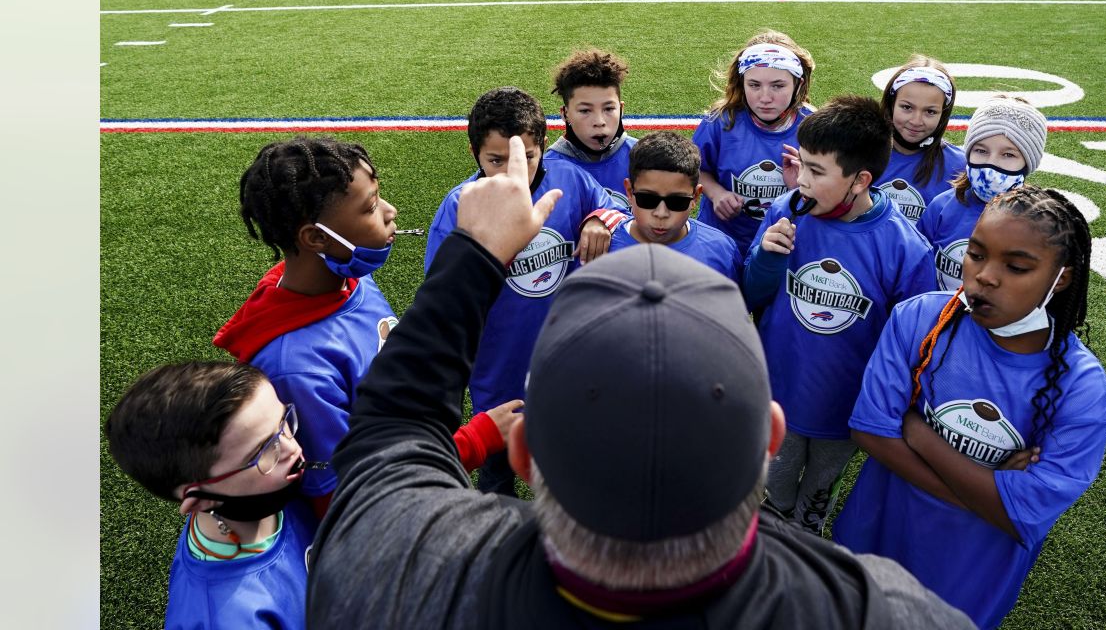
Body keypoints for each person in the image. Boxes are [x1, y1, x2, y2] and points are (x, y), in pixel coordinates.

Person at [305, 134, 977, 629]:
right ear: (768, 438)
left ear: (524, 452)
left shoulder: (403, 565)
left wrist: (476, 251)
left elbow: (391, 426)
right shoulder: (882, 612)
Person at [832, 186, 1106, 629]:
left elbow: (1023, 517)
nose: (985, 276)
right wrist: (989, 490)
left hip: (968, 576)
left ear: (1061, 279)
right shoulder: (918, 318)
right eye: (976, 255)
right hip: (875, 538)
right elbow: (869, 432)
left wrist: (917, 432)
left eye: (1016, 266)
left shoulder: (1080, 386)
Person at [215, 136, 520, 518]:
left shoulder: (346, 280)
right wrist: (476, 440)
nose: (390, 211)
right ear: (316, 238)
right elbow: (353, 493)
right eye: (371, 206)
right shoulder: (297, 368)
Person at [741, 96, 936, 535]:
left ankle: (809, 534)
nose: (802, 181)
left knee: (818, 493)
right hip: (779, 393)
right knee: (777, 486)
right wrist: (768, 258)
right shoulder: (785, 212)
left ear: (860, 180)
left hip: (845, 409)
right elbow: (750, 296)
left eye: (816, 171)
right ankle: (777, 530)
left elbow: (914, 345)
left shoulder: (904, 247)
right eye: (802, 164)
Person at [424, 87, 626, 496]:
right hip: (498, 371)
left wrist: (598, 220)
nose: (512, 173)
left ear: (543, 146)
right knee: (497, 478)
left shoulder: (570, 180)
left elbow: (611, 206)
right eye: (495, 161)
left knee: (566, 474)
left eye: (526, 158)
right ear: (473, 153)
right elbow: (442, 298)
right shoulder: (460, 206)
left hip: (565, 364)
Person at [105, 362, 317, 630]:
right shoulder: (229, 619)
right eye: (262, 452)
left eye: (283, 421)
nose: (292, 448)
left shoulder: (271, 490)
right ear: (202, 499)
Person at [695, 30, 816, 257]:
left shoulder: (815, 128)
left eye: (778, 86)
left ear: (798, 84)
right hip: (722, 241)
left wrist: (802, 186)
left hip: (785, 245)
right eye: (754, 85)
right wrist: (716, 193)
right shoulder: (720, 122)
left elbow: (831, 193)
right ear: (742, 83)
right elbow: (694, 170)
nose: (765, 97)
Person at [918, 95, 1048, 292]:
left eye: (1008, 155)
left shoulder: (1042, 224)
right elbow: (917, 271)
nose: (991, 163)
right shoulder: (941, 207)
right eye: (981, 151)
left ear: (1029, 162)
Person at [609, 130, 742, 282]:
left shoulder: (720, 250)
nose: (661, 213)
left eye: (676, 202)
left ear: (696, 196)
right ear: (629, 192)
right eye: (647, 199)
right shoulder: (601, 247)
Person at [545, 48, 637, 209]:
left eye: (608, 109)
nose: (599, 121)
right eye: (585, 111)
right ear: (565, 114)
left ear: (621, 109)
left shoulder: (643, 157)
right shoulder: (548, 168)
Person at [877, 55, 965, 223]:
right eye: (907, 107)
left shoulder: (959, 167)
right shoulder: (860, 152)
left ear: (943, 114)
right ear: (891, 105)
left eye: (930, 112)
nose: (916, 121)